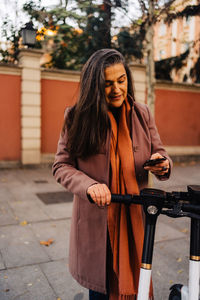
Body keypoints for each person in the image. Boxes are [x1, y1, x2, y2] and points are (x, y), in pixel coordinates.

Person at [52, 48, 172, 300]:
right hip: (98, 225)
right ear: (94, 86)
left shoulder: (142, 113)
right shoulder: (76, 117)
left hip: (135, 220)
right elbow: (61, 166)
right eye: (107, 84)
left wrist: (163, 165)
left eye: (121, 80)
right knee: (101, 291)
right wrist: (88, 186)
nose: (117, 89)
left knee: (137, 286)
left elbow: (160, 152)